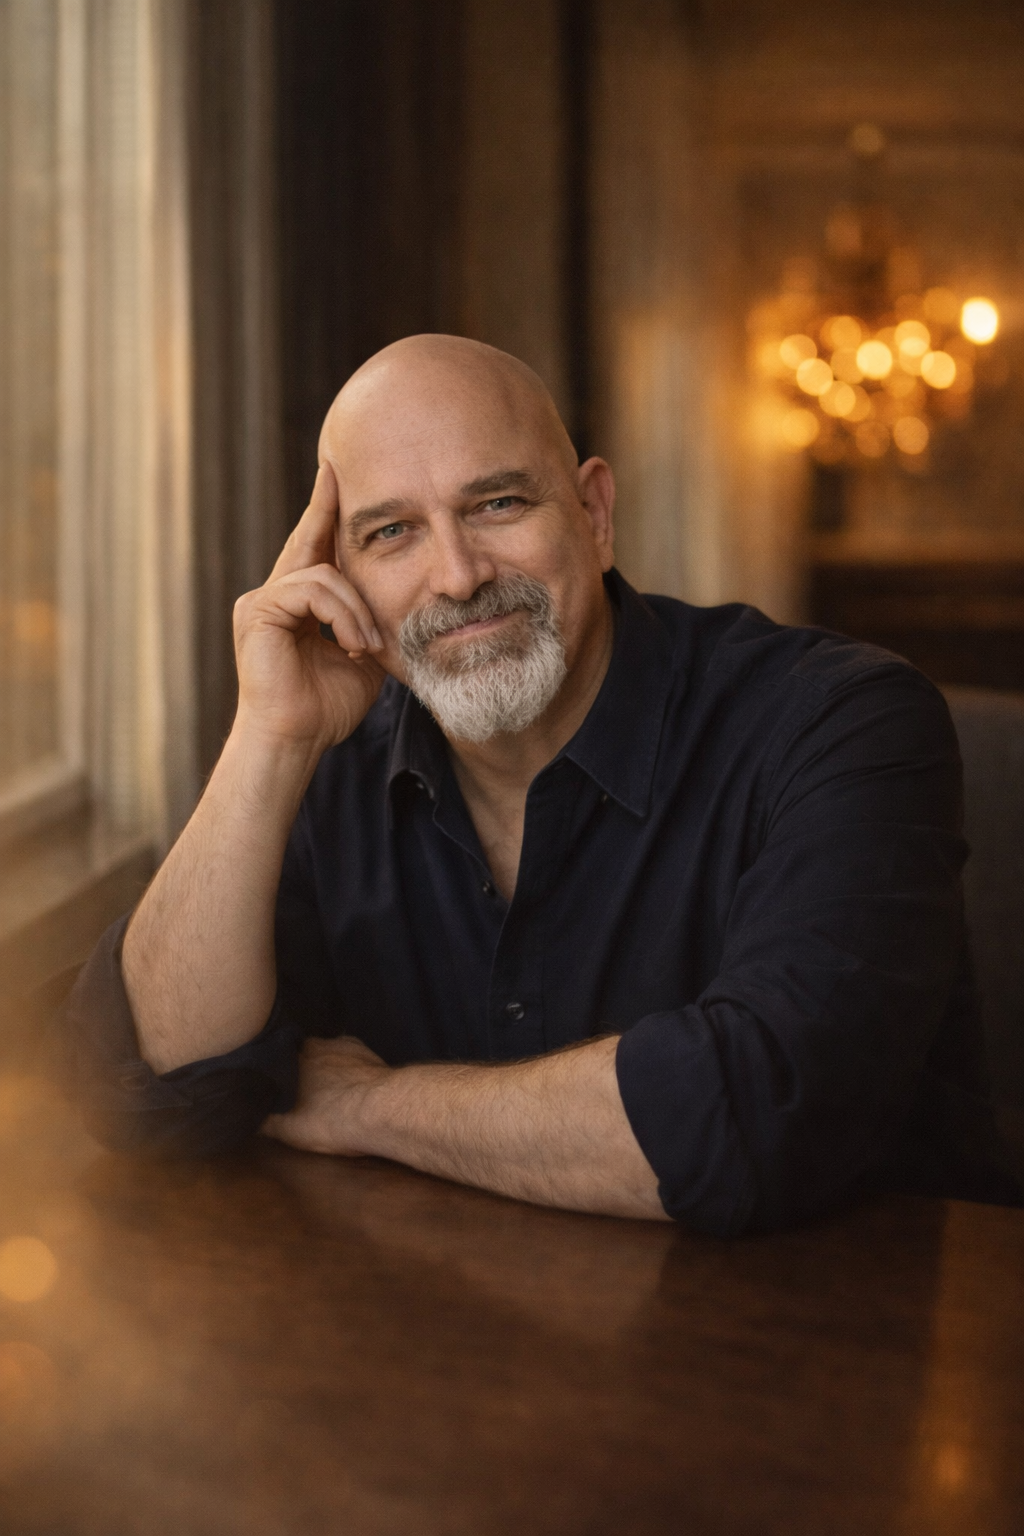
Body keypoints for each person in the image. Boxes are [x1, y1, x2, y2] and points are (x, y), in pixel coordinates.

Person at [63, 335, 1019, 1235]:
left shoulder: (841, 722)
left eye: (498, 506)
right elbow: (157, 1087)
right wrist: (270, 736)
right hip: (454, 1360)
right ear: (341, 574)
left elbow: (755, 1115)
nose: (457, 575)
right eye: (392, 532)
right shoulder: (323, 765)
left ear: (594, 514)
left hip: (847, 1359)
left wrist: (365, 1103)